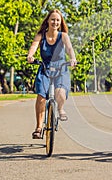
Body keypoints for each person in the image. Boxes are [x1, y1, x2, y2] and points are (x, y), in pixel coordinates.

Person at [27, 9, 77, 139]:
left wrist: (72, 58)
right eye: (53, 19)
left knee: (60, 92)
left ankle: (60, 109)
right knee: (41, 97)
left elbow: (70, 49)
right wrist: (30, 56)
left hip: (61, 68)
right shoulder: (41, 35)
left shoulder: (63, 36)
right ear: (48, 21)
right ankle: (39, 127)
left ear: (60, 23)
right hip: (45, 67)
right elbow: (33, 46)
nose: (55, 22)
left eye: (58, 20)